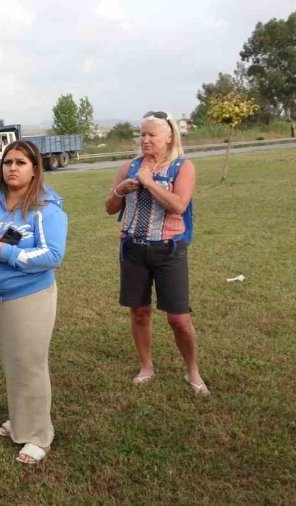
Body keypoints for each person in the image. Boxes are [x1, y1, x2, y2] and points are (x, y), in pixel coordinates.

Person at [0, 140, 67, 465]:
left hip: (31, 298)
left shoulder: (46, 207)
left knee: (31, 366)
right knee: (13, 363)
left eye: (21, 162)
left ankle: (39, 435)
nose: (12, 168)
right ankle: (20, 419)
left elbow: (53, 254)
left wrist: (6, 252)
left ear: (34, 168)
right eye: (8, 162)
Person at [104, 110, 209, 396]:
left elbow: (178, 205)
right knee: (139, 313)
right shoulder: (129, 166)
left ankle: (192, 370)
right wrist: (120, 191)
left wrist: (149, 182)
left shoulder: (182, 167)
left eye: (151, 134)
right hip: (133, 250)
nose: (145, 140)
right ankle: (147, 366)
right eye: (142, 134)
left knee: (179, 318)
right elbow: (110, 208)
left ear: (169, 137)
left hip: (169, 250)